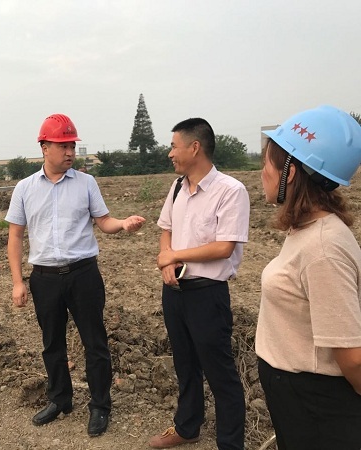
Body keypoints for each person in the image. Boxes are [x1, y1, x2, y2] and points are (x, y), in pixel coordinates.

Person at [5, 113, 145, 437]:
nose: (70, 152)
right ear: (44, 147)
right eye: (63, 146)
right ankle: (60, 399)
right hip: (44, 278)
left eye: (72, 146)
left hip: (83, 274)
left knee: (94, 342)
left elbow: (104, 222)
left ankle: (100, 405)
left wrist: (123, 224)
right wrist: (17, 281)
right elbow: (15, 236)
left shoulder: (86, 183)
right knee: (52, 343)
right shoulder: (25, 188)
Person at [255, 105, 361, 450]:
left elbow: (353, 358)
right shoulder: (308, 229)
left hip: (316, 405)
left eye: (266, 163)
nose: (262, 173)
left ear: (289, 173)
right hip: (298, 397)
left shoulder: (322, 248)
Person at [152, 118, 249, 450]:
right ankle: (187, 426)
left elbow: (224, 247)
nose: (170, 154)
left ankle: (230, 443)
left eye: (174, 146)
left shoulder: (230, 190)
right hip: (175, 291)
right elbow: (166, 229)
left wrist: (175, 255)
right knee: (185, 364)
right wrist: (168, 260)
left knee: (220, 372)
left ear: (195, 148)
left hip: (208, 294)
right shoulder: (178, 187)